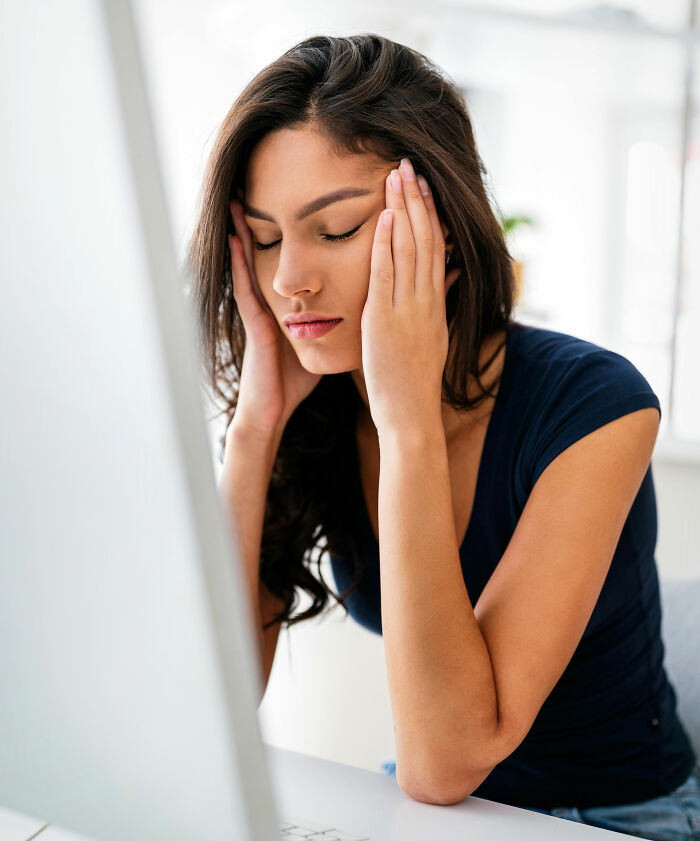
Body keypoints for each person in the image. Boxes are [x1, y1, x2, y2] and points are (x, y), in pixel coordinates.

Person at [186, 33, 699, 840]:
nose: (290, 281)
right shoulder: (310, 410)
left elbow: (443, 759)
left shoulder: (599, 406)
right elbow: (199, 709)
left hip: (620, 819)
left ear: (445, 233)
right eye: (267, 236)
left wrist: (406, 422)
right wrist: (252, 431)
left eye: (338, 228)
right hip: (441, 817)